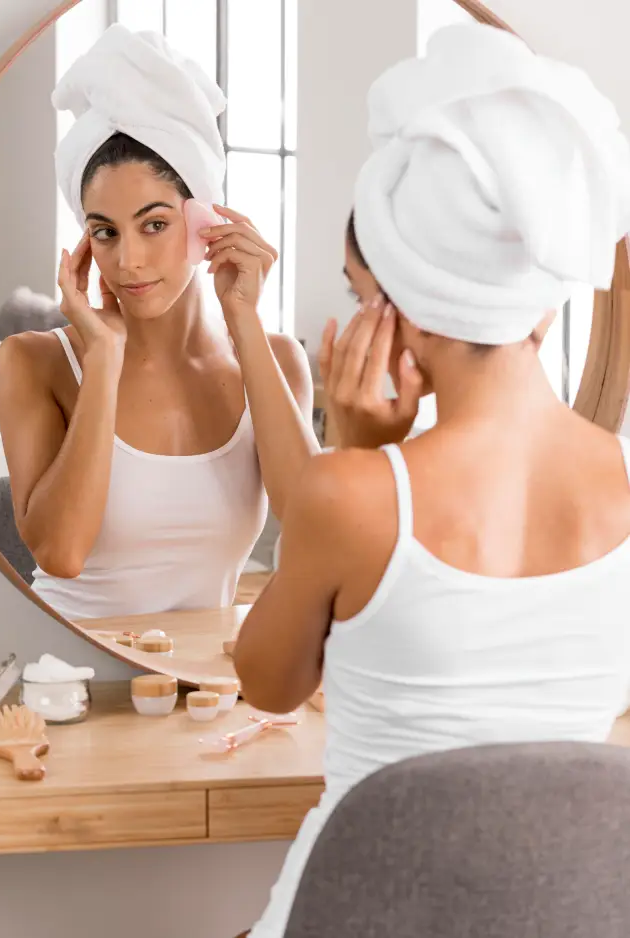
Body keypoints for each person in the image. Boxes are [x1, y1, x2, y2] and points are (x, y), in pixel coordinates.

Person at [234, 23, 630, 938]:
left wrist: (359, 456)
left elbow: (266, 684)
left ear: (395, 302)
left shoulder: (352, 497)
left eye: (355, 289)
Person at [0, 26, 318, 620]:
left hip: (202, 693)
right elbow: (60, 553)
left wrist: (242, 323)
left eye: (155, 224)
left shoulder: (277, 362)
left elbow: (315, 531)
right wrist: (104, 362)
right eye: (105, 231)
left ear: (205, 220)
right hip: (68, 674)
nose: (128, 261)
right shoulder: (32, 362)